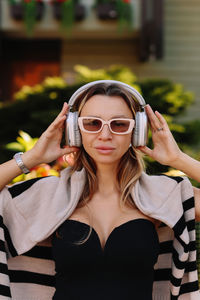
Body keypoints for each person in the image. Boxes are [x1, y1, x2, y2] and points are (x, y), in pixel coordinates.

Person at [0, 80, 200, 300]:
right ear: (76, 129)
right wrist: (31, 158)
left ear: (138, 131)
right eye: (93, 123)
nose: (105, 135)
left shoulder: (162, 195)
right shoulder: (48, 195)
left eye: (119, 124)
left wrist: (178, 159)